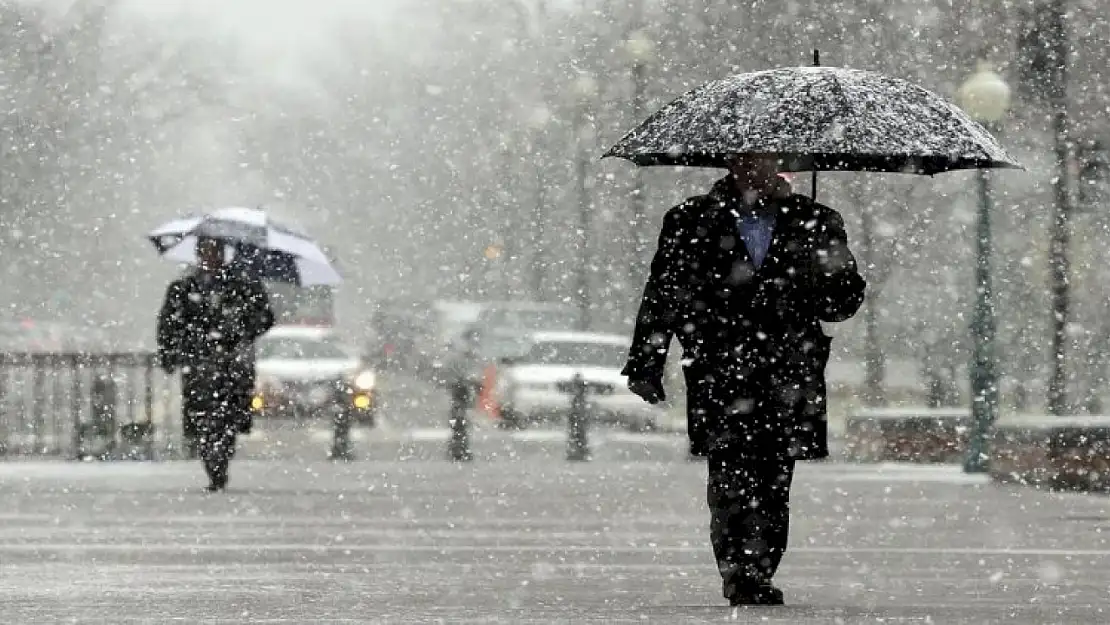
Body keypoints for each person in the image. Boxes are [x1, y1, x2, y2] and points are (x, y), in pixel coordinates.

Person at [623, 155, 866, 606]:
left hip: (788, 372)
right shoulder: (690, 219)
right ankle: (740, 571)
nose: (760, 168)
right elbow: (664, 293)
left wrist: (832, 272)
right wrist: (646, 362)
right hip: (720, 371)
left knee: (775, 478)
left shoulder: (817, 220)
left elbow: (839, 304)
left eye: (769, 159)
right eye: (749, 158)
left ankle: (759, 568)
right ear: (731, 162)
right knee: (730, 475)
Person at [157, 236, 275, 491]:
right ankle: (213, 462)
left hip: (232, 365)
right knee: (204, 418)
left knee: (227, 417)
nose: (210, 258)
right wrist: (170, 353)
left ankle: (220, 458)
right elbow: (168, 324)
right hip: (199, 364)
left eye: (215, 252)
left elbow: (264, 317)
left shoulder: (244, 286)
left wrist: (241, 329)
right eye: (205, 252)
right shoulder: (183, 288)